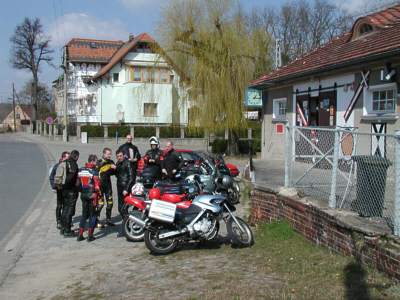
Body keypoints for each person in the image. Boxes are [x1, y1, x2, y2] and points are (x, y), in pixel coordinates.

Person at [77, 154, 100, 242]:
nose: (97, 163)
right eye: (96, 161)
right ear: (92, 161)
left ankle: (80, 235)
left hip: (83, 195)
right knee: (93, 215)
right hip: (92, 196)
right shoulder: (94, 171)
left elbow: (78, 183)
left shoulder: (81, 169)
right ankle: (90, 236)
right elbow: (97, 186)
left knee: (84, 215)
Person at [115, 150, 135, 237]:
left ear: (124, 155)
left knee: (123, 209)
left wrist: (127, 189)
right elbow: (117, 174)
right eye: (118, 156)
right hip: (119, 188)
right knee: (120, 208)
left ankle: (126, 228)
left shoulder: (128, 163)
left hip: (125, 189)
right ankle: (127, 226)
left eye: (120, 156)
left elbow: (131, 177)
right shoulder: (118, 163)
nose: (119, 157)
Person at [60, 150, 80, 237]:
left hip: (63, 190)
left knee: (65, 209)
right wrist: (75, 187)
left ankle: (63, 228)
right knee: (69, 210)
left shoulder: (65, 162)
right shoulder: (73, 164)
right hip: (71, 190)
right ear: (76, 156)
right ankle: (67, 230)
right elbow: (71, 178)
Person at [49, 151, 70, 229]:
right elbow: (51, 177)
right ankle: (58, 221)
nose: (68, 160)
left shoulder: (69, 166)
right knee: (59, 205)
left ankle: (64, 220)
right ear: (63, 157)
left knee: (66, 205)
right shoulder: (57, 166)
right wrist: (54, 187)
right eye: (67, 158)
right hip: (59, 188)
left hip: (67, 189)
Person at [97, 147, 116, 227]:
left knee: (110, 203)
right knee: (100, 204)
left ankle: (108, 219)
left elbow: (113, 172)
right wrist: (109, 166)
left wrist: (114, 169)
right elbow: (99, 168)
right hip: (100, 186)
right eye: (108, 154)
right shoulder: (99, 161)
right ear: (104, 153)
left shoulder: (111, 161)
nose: (109, 156)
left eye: (110, 154)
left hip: (108, 185)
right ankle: (96, 220)